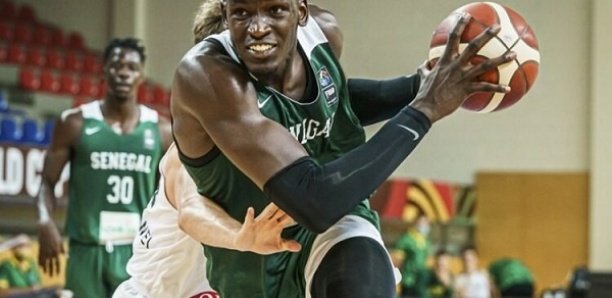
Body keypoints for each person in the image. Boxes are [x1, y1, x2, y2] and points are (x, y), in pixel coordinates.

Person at [171, 0, 515, 297]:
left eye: (275, 9)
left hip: (334, 226)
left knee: (361, 275)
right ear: (226, 13)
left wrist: (419, 86)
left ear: (301, 11)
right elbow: (313, 200)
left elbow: (337, 103)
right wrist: (424, 108)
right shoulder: (207, 76)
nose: (258, 28)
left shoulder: (323, 34)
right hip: (256, 261)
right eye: (242, 12)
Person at [36, 38, 172, 298]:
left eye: (131, 67)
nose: (123, 72)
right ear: (104, 70)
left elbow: (169, 196)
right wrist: (45, 222)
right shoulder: (75, 123)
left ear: (141, 75)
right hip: (87, 250)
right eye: (116, 65)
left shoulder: (162, 130)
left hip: (138, 250)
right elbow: (47, 183)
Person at [112, 144, 301, 298]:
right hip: (151, 293)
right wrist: (238, 237)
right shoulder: (187, 151)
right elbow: (190, 213)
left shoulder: (267, 153)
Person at [393, 214, 432, 298]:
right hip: (409, 279)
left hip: (421, 281)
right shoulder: (406, 239)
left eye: (426, 223)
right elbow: (397, 260)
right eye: (422, 222)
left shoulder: (426, 241)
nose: (424, 225)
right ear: (416, 222)